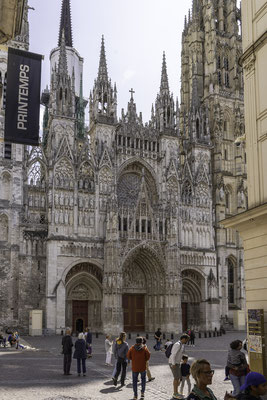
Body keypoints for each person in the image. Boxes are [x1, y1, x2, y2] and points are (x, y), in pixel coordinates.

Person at [169, 333, 190, 399]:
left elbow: (179, 354)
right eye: (187, 340)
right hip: (174, 363)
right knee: (176, 378)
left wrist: (180, 360)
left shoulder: (182, 345)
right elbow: (173, 354)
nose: (187, 341)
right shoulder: (177, 344)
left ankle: (177, 392)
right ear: (183, 339)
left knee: (178, 377)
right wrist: (173, 363)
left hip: (177, 363)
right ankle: (175, 393)